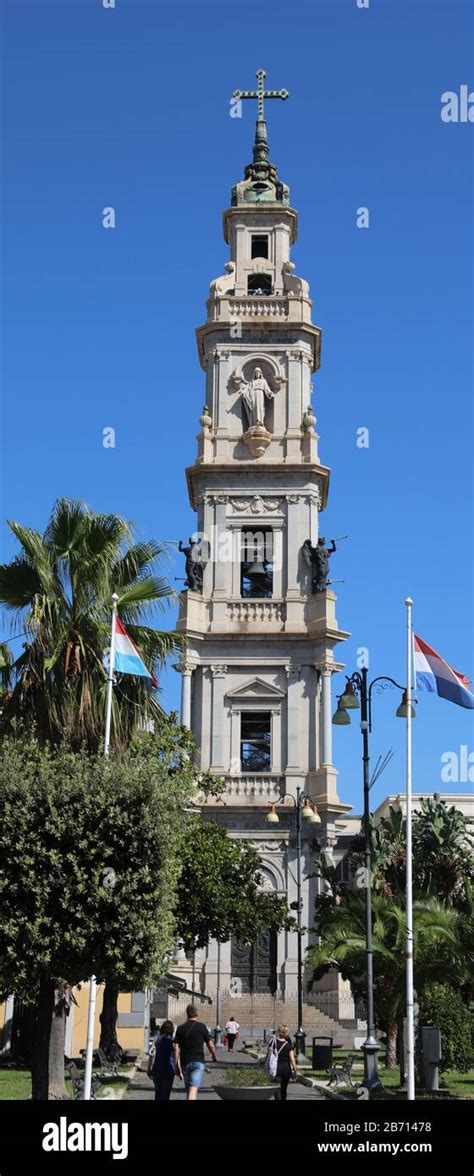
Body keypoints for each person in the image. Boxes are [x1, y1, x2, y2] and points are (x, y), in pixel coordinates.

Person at [173, 1004, 218, 1101]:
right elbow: (210, 1044)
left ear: (187, 1014)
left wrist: (176, 1064)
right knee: (193, 1090)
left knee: (189, 1090)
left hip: (185, 1063)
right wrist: (214, 1055)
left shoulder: (180, 1028)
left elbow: (176, 1048)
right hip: (198, 1062)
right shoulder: (202, 1027)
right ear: (196, 1014)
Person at [147, 1020, 175, 1101]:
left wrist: (149, 1068)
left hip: (157, 1068)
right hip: (169, 1069)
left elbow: (151, 1054)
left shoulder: (156, 1039)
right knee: (166, 1093)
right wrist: (177, 1067)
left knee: (158, 1092)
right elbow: (175, 1056)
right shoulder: (173, 1041)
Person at [272, 1025, 297, 1102]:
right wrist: (295, 1071)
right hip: (286, 1069)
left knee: (276, 1088)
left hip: (276, 1068)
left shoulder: (273, 1043)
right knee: (284, 1088)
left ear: (279, 1032)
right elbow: (292, 1059)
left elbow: (269, 1055)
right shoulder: (288, 1045)